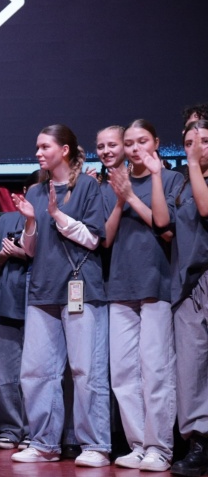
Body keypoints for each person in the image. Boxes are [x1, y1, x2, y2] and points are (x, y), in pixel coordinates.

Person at [10, 124, 111, 467]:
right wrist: (30, 221)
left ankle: (95, 445)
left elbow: (94, 239)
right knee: (36, 372)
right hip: (43, 290)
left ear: (64, 150)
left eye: (44, 147)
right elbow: (30, 250)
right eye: (37, 147)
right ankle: (44, 444)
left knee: (86, 370)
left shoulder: (86, 186)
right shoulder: (38, 191)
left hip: (80, 287)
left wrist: (57, 215)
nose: (38, 153)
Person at [102, 119, 180, 471]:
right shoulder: (113, 184)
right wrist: (120, 199)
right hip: (120, 286)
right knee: (123, 373)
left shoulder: (171, 179)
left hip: (156, 283)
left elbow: (167, 232)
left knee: (156, 370)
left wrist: (131, 196)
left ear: (156, 143)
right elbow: (106, 239)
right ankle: (137, 444)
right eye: (130, 143)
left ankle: (159, 448)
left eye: (142, 141)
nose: (135, 149)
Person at [163, 119, 208, 477]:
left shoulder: (195, 177)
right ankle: (199, 442)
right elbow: (165, 227)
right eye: (190, 143)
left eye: (205, 141)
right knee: (190, 368)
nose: (197, 148)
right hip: (188, 284)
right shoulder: (179, 185)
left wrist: (192, 163)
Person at [0, 171, 38, 451]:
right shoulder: (5, 220)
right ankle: (9, 428)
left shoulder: (50, 219)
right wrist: (4, 255)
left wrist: (26, 254)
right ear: (25, 191)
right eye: (34, 189)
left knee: (36, 371)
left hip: (39, 302)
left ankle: (34, 429)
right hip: (6, 300)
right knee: (4, 372)